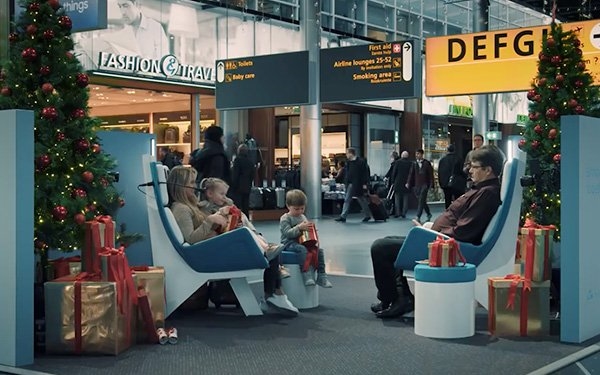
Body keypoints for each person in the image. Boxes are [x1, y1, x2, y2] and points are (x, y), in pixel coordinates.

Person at [370, 145, 505, 319]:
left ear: (488, 170)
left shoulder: (486, 193)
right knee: (388, 242)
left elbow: (464, 231)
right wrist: (429, 229)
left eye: (474, 167)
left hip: (448, 247)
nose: (469, 170)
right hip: (442, 240)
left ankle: (395, 298)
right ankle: (396, 297)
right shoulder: (482, 190)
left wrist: (430, 232)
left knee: (381, 247)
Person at [167, 167, 298, 315]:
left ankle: (275, 293)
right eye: (191, 182)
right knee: (261, 244)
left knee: (271, 251)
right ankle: (275, 294)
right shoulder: (181, 209)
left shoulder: (190, 206)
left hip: (212, 247)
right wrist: (210, 221)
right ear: (181, 185)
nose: (195, 186)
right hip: (208, 252)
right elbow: (191, 239)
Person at [280, 190, 333, 288]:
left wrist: (312, 232)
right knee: (302, 250)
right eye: (296, 209)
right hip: (288, 243)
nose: (299, 211)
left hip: (303, 242)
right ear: (288, 206)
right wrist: (299, 228)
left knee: (319, 251)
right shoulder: (285, 218)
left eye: (302, 208)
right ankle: (306, 274)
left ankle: (322, 276)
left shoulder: (303, 217)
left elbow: (306, 232)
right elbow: (287, 233)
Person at [335, 148, 372, 223]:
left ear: (351, 153)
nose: (346, 155)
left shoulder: (361, 162)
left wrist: (365, 183)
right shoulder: (348, 163)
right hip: (351, 184)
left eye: (347, 153)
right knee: (348, 199)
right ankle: (343, 216)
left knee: (361, 199)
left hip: (358, 184)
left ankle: (367, 215)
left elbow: (365, 174)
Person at [406, 149, 434, 223]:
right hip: (417, 185)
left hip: (425, 184)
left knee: (421, 200)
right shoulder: (414, 163)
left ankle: (418, 216)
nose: (416, 155)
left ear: (422, 154)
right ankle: (428, 213)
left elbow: (431, 175)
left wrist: (431, 185)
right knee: (422, 201)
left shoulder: (427, 163)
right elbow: (411, 174)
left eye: (418, 154)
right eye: (416, 154)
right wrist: (408, 182)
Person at [230, 144, 255, 218]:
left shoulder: (237, 160)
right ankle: (246, 219)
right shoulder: (250, 162)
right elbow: (252, 175)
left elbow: (235, 174)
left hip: (238, 186)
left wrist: (233, 185)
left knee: (237, 205)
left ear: (239, 151)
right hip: (247, 186)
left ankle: (237, 219)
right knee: (245, 205)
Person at [437, 144, 466, 209]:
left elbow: (440, 172)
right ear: (454, 150)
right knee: (458, 201)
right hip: (457, 183)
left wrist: (441, 183)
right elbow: (462, 171)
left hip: (446, 184)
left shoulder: (442, 160)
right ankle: (457, 214)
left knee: (447, 201)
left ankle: (448, 215)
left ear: (447, 150)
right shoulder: (459, 159)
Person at [391, 151, 412, 218]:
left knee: (397, 198)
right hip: (407, 183)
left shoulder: (398, 162)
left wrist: (393, 181)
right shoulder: (410, 163)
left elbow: (394, 172)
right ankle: (404, 212)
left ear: (402, 155)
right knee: (405, 198)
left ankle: (398, 213)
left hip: (398, 182)